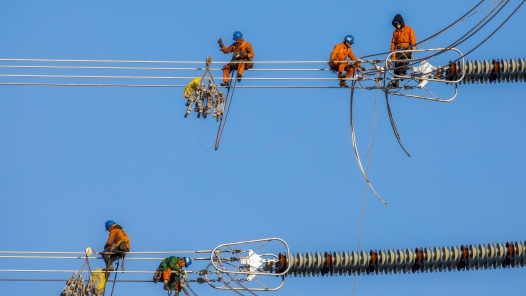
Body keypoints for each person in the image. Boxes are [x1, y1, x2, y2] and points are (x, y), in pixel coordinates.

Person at [389, 14, 417, 87]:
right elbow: (393, 43)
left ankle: (402, 74)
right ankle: (396, 80)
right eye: (395, 23)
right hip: (398, 50)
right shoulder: (395, 32)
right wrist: (392, 53)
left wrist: (413, 46)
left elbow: (412, 38)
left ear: (401, 22)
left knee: (404, 62)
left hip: (407, 48)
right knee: (397, 64)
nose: (397, 24)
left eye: (398, 23)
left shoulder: (409, 29)